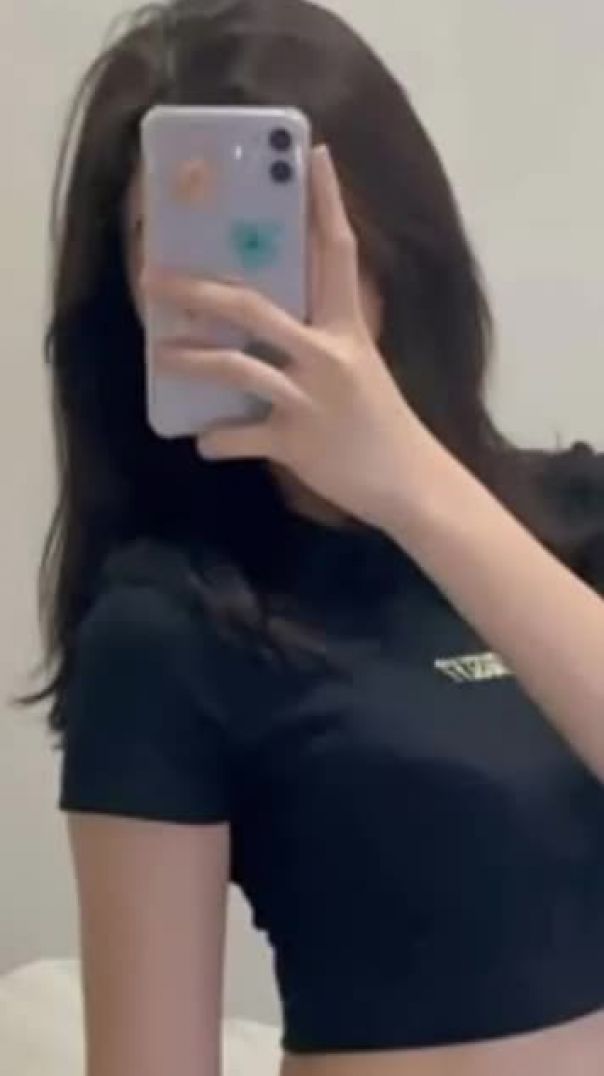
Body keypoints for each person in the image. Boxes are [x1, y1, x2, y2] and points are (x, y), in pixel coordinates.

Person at [30, 1, 604, 1074]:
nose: (248, 292)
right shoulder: (167, 624)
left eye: (291, 237)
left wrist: (409, 484)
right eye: (181, 248)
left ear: (393, 240)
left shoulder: (577, 520)